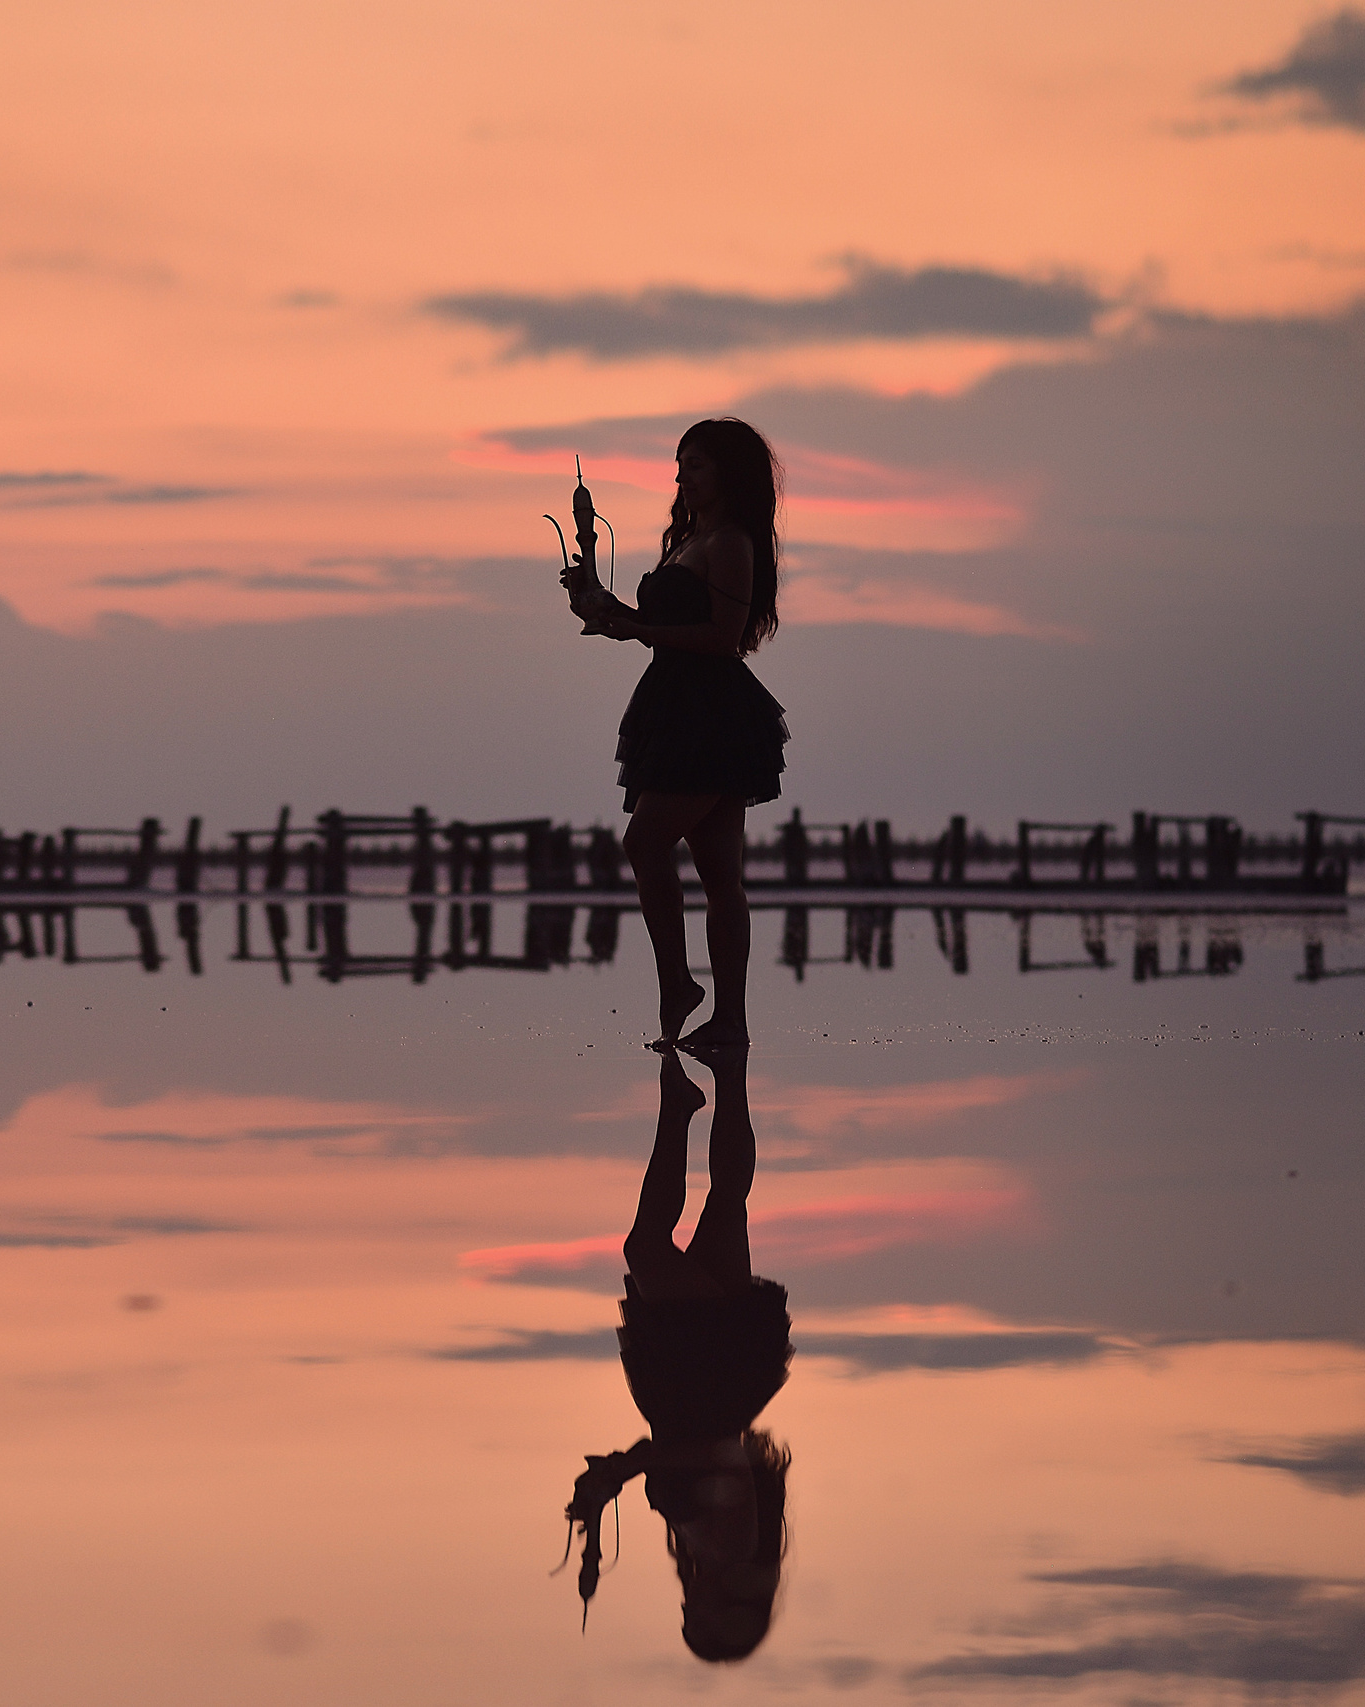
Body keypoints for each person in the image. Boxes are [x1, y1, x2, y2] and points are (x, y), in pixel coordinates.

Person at [562, 419, 788, 1049]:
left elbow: (723, 637)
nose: (682, 476)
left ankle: (678, 983)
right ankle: (730, 1022)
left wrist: (637, 629)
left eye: (697, 465)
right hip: (675, 705)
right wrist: (603, 608)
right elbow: (659, 628)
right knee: (719, 874)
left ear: (729, 474)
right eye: (680, 463)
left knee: (645, 843)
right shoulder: (688, 539)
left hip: (711, 713)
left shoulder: (732, 542)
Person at [562, 1048, 791, 1662]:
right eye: (697, 1616)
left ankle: (729, 1071)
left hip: (710, 1375)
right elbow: (720, 1458)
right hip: (704, 1373)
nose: (688, 1604)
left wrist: (621, 1474)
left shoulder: (706, 1551)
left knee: (727, 1200)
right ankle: (682, 1103)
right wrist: (626, 1469)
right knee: (647, 1246)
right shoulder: (735, 1549)